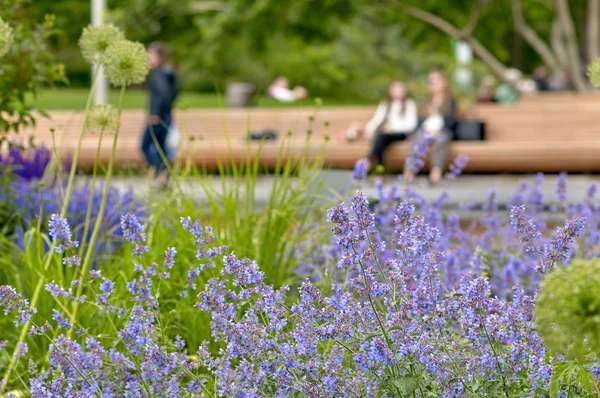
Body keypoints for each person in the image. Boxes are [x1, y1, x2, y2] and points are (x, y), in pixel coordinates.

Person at [405, 70, 457, 185]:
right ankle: (409, 171)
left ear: (444, 82)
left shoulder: (450, 101)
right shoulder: (426, 100)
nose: (433, 84)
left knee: (441, 140)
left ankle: (436, 172)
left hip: (442, 130)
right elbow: (420, 120)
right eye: (431, 81)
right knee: (417, 140)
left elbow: (452, 120)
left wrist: (438, 129)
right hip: (425, 130)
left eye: (436, 80)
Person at [141, 42, 178, 185]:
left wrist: (155, 113)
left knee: (144, 146)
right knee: (161, 148)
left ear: (160, 57)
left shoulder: (159, 75)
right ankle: (163, 174)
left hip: (157, 118)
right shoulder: (169, 73)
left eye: (151, 55)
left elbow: (163, 95)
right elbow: (173, 94)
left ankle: (160, 169)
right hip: (166, 117)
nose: (148, 58)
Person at [365, 80, 418, 167]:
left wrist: (393, 128)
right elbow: (377, 120)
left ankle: (370, 160)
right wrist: (369, 129)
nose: (397, 91)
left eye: (399, 89)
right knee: (381, 139)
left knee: (381, 137)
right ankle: (379, 167)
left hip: (402, 134)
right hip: (387, 134)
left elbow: (411, 124)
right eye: (395, 89)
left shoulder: (409, 104)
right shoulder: (386, 104)